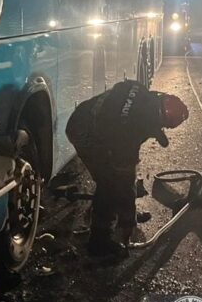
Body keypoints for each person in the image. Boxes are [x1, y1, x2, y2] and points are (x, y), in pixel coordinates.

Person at [65, 79, 189, 257]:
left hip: (83, 114)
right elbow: (125, 176)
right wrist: (128, 221)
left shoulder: (140, 90)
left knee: (115, 179)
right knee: (109, 181)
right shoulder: (130, 132)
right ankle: (99, 241)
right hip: (82, 130)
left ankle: (111, 212)